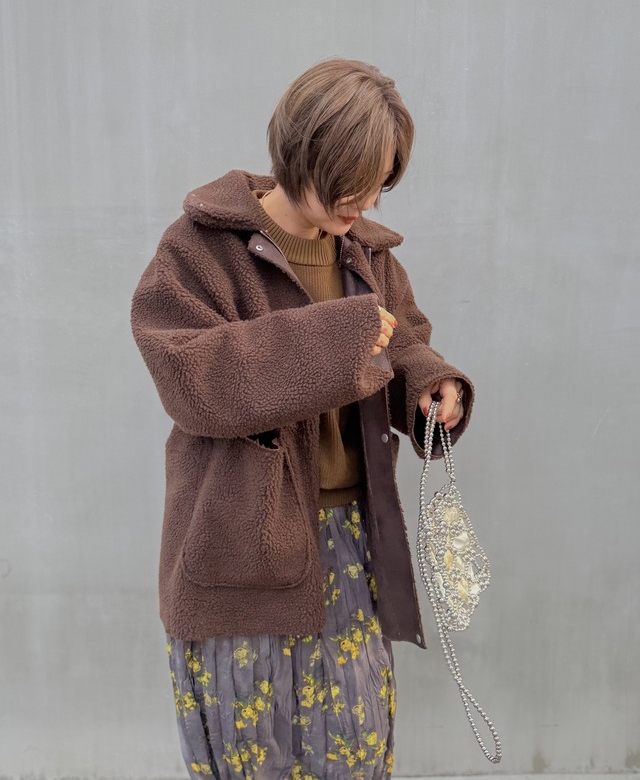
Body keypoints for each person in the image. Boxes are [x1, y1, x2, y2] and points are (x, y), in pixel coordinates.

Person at [130, 57, 473, 779]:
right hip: (239, 546)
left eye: (381, 181)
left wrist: (429, 384)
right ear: (304, 152)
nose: (367, 199)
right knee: (251, 751)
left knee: (355, 747)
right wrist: (336, 340)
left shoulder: (367, 253)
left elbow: (400, 338)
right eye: (354, 178)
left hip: (352, 538)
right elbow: (191, 377)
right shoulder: (200, 248)